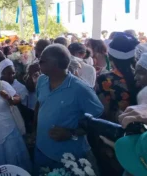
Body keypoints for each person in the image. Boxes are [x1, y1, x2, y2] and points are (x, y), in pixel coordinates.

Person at [33, 44, 103, 174]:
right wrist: (34, 131)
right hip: (41, 151)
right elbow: (40, 104)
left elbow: (98, 121)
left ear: (55, 64)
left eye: (42, 60)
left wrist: (71, 133)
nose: (38, 62)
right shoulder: (42, 80)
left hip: (68, 158)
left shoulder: (80, 89)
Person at [96, 33, 140, 123]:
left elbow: (101, 109)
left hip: (115, 127)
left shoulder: (104, 79)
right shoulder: (142, 77)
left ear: (110, 57)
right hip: (141, 126)